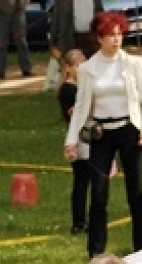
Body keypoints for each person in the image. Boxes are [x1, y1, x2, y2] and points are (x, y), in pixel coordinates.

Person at [64, 12, 142, 259]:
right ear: (99, 38)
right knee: (99, 193)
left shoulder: (134, 64)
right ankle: (96, 251)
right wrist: (71, 141)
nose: (116, 40)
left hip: (129, 130)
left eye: (119, 34)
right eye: (111, 35)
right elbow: (81, 107)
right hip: (101, 133)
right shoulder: (87, 69)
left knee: (135, 192)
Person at [58, 49, 91, 236]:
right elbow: (74, 114)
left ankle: (85, 219)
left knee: (86, 180)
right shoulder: (68, 90)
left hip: (86, 137)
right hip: (78, 139)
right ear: (69, 68)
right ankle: (79, 222)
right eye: (79, 66)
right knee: (81, 181)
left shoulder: (80, 87)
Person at [0, 0, 33, 80]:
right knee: (1, 43)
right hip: (0, 14)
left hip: (18, 12)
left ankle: (27, 69)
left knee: (21, 41)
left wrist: (22, 7)